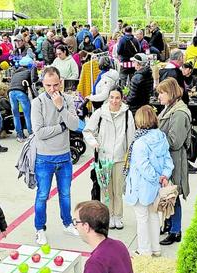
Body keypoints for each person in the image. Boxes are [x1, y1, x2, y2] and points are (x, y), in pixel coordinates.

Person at [31, 67, 80, 245]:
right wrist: (60, 127)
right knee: (42, 195)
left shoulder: (67, 100)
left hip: (65, 157)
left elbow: (75, 125)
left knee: (65, 194)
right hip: (44, 158)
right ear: (43, 84)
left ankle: (67, 223)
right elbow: (39, 132)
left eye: (56, 85)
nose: (52, 89)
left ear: (61, 82)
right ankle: (39, 229)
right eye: (48, 85)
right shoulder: (38, 103)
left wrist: (61, 108)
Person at [124, 105, 173, 256]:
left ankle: (144, 250)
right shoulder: (161, 137)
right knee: (153, 216)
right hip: (156, 186)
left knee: (142, 218)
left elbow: (143, 166)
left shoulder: (139, 142)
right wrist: (164, 176)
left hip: (141, 187)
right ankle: (155, 248)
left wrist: (155, 178)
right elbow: (168, 160)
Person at [83, 88, 134, 230]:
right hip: (104, 159)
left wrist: (130, 158)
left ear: (121, 99)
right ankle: (109, 215)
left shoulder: (127, 114)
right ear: (108, 98)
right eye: (111, 97)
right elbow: (87, 131)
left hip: (119, 159)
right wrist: (94, 143)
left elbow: (131, 138)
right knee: (106, 190)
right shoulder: (100, 113)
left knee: (118, 190)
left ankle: (118, 216)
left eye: (117, 98)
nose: (114, 101)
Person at [156, 79, 191, 245]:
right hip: (169, 160)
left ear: (171, 93)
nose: (159, 96)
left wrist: (154, 139)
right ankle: (170, 224)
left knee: (173, 195)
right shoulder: (171, 108)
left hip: (175, 161)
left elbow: (175, 142)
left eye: (162, 92)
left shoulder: (179, 113)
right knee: (167, 193)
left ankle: (175, 231)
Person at [8, 57, 36, 143]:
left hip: (11, 92)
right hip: (21, 92)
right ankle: (31, 133)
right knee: (27, 114)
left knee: (15, 114)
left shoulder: (15, 73)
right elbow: (33, 80)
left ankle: (20, 135)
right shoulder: (28, 71)